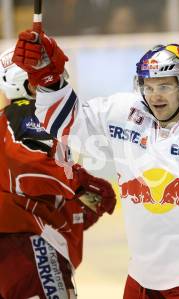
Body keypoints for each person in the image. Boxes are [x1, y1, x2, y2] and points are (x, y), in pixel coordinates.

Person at [12, 0, 179, 298]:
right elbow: (64, 124)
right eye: (149, 85)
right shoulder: (125, 113)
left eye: (165, 86)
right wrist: (49, 80)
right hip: (144, 275)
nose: (155, 96)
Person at [0, 48, 116, 299]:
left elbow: (36, 188)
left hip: (21, 244)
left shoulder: (14, 119)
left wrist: (78, 210)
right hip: (27, 245)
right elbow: (25, 167)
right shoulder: (27, 114)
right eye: (48, 77)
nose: (59, 80)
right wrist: (81, 184)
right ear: (28, 85)